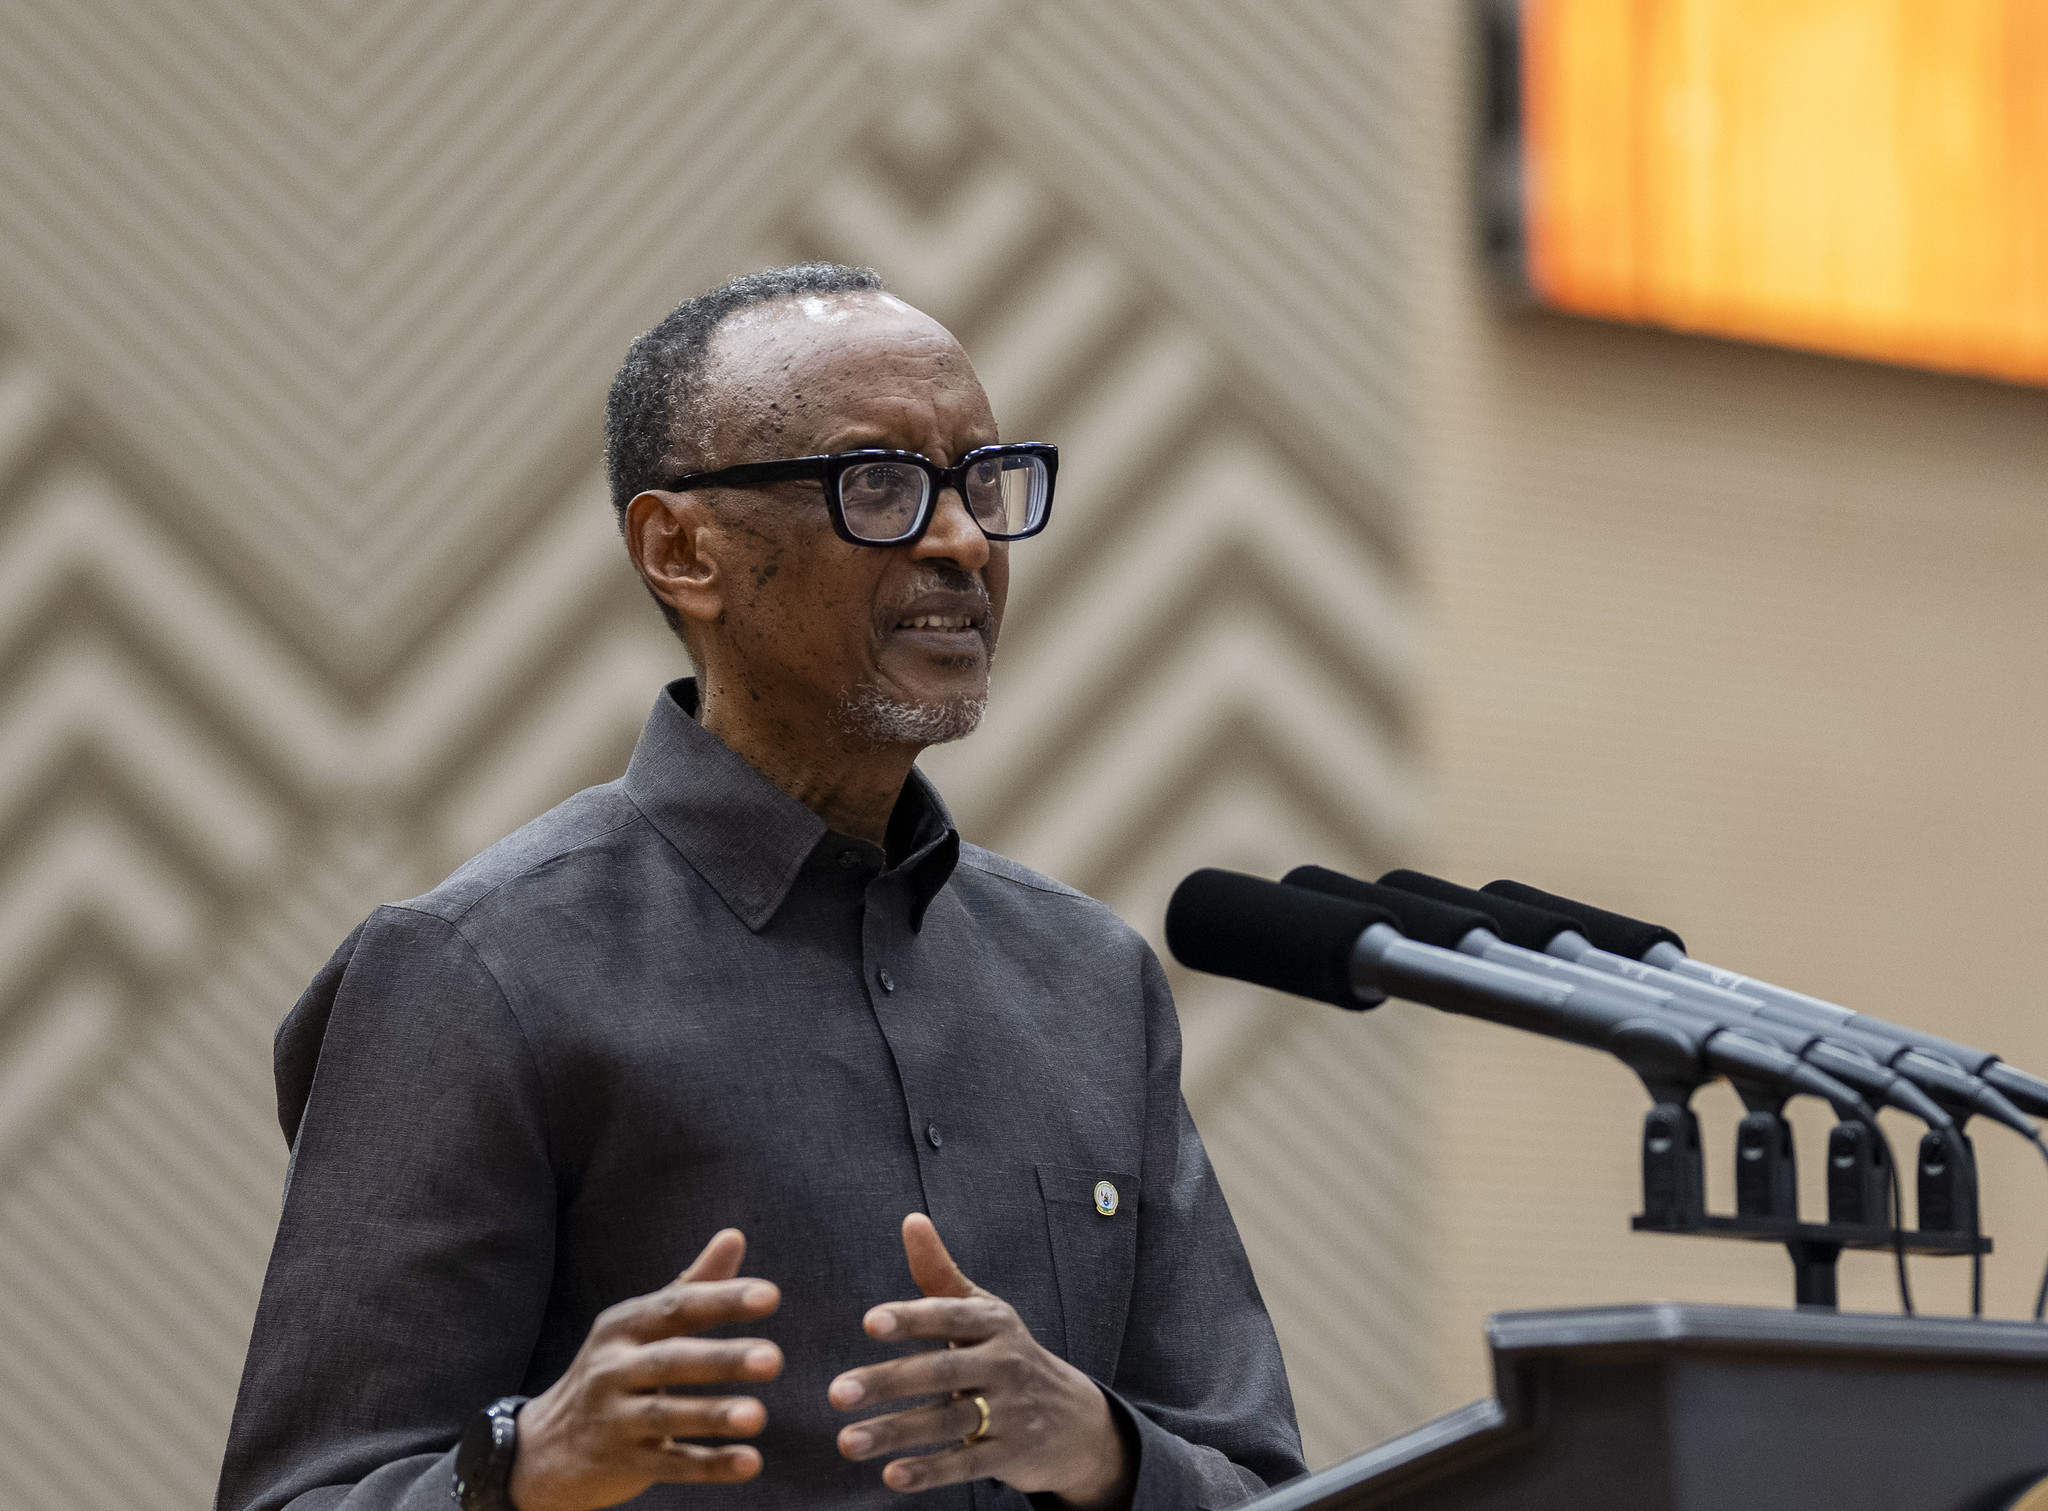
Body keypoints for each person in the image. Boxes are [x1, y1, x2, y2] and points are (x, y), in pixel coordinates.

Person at [216, 263, 1304, 1511]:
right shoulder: (475, 969)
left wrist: (1103, 1450)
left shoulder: (1090, 979)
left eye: (979, 480)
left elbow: (1262, 1483)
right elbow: (299, 1495)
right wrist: (519, 1474)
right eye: (879, 483)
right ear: (683, 550)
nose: (959, 539)